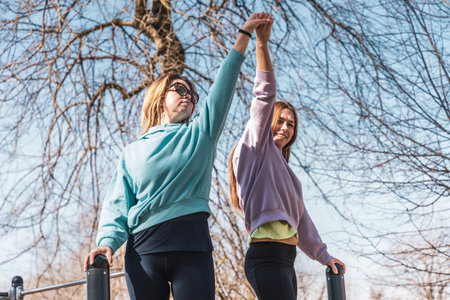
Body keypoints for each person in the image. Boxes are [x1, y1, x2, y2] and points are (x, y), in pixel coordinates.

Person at [84, 13, 274, 300]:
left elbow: (223, 85)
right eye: (180, 90)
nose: (188, 97)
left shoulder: (200, 134)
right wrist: (107, 243)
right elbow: (117, 206)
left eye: (193, 95)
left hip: (192, 246)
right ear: (160, 96)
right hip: (143, 251)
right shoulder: (132, 151)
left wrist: (244, 34)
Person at [228, 14, 346, 300]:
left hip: (286, 260)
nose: (284, 127)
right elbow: (265, 95)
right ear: (267, 123)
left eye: (290, 123)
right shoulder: (256, 150)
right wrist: (261, 44)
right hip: (266, 257)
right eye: (279, 120)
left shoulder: (285, 173)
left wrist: (323, 256)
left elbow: (301, 220)